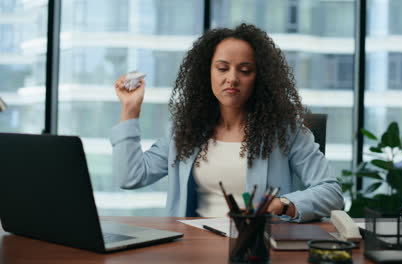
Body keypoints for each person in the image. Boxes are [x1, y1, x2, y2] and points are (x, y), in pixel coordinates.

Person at [111, 23, 343, 222]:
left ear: (259, 78)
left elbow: (331, 193)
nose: (232, 78)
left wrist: (283, 204)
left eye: (245, 70)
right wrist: (130, 109)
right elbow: (131, 176)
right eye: (222, 68)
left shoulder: (286, 131)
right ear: (207, 73)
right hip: (191, 249)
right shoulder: (184, 131)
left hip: (256, 248)